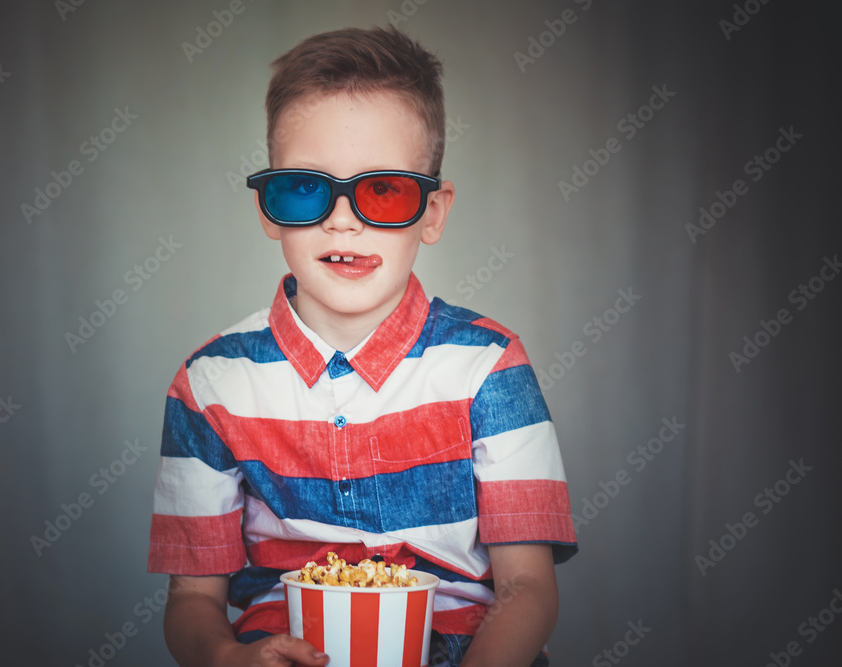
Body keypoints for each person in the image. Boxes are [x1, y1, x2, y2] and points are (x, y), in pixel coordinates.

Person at [148, 26, 577, 667]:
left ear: (432, 212)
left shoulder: (490, 367)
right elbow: (191, 599)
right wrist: (227, 658)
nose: (342, 220)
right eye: (306, 188)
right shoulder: (210, 384)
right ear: (267, 207)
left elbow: (528, 590)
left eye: (383, 190)